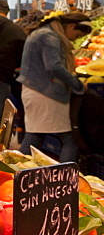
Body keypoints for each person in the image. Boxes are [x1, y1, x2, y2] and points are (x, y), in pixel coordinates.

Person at [17, 12, 91, 164]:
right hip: (45, 93)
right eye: (76, 35)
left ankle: (16, 171)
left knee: (36, 134)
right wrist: (76, 84)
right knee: (69, 138)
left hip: (36, 90)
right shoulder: (49, 36)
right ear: (70, 26)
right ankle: (65, 177)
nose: (74, 39)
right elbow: (54, 66)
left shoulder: (43, 33)